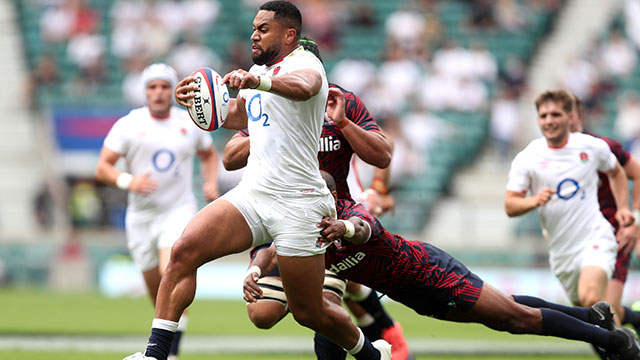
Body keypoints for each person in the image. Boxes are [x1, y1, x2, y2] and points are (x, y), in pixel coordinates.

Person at [124, 2, 391, 360]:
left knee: (308, 311)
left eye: (263, 28)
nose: (254, 34)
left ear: (289, 34)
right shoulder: (258, 71)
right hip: (255, 193)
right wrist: (195, 103)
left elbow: (305, 86)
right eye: (254, 27)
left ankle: (373, 356)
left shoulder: (305, 63)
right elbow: (234, 113)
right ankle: (155, 355)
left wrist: (258, 80)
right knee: (184, 250)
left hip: (300, 201)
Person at [244, 170, 640, 360]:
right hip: (416, 294)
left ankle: (616, 342)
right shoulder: (298, 229)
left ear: (327, 195)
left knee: (514, 318)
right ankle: (592, 315)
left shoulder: (347, 212)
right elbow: (271, 249)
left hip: (432, 272)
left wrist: (343, 226)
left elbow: (365, 229)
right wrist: (254, 271)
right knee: (504, 308)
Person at [223, 37, 409, 360]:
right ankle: (374, 331)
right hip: (279, 211)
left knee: (326, 304)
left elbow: (383, 151)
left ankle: (383, 333)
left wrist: (377, 191)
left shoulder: (340, 102)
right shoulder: (268, 100)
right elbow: (228, 157)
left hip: (329, 218)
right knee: (262, 314)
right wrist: (267, 134)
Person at [95, 63, 220, 360]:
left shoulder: (189, 122)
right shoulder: (129, 124)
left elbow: (209, 154)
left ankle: (170, 353)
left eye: (164, 86)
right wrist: (129, 180)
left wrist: (211, 182)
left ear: (172, 90)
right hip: (141, 218)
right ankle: (167, 342)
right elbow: (102, 167)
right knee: (158, 291)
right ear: (145, 92)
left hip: (178, 209)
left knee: (172, 270)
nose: (159, 92)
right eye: (153, 87)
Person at [505, 89, 634, 311]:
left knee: (591, 297)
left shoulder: (591, 146)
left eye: (556, 115)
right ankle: (624, 338)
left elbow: (617, 172)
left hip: (596, 236)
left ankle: (621, 338)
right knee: (588, 316)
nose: (549, 121)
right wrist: (534, 201)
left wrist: (624, 208)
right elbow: (510, 205)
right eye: (543, 116)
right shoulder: (528, 157)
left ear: (569, 117)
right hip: (562, 251)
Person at [570, 95, 640, 334]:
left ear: (579, 117)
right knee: (593, 312)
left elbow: (637, 173)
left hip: (612, 233)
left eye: (567, 114)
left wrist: (635, 221)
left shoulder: (603, 147)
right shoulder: (543, 156)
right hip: (575, 241)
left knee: (601, 308)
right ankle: (633, 317)